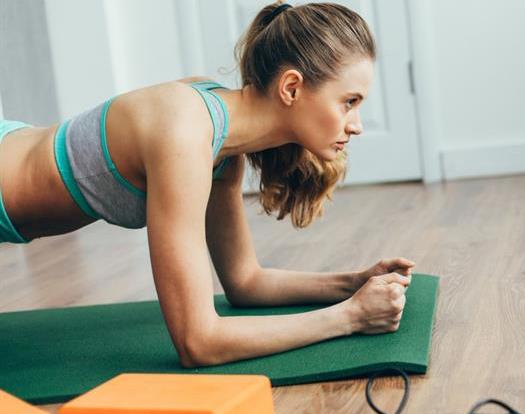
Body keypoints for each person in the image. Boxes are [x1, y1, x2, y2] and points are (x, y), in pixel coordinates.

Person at [0, 2, 415, 367]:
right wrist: (350, 317)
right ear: (291, 87)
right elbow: (198, 342)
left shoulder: (220, 147)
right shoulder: (185, 132)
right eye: (349, 101)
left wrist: (352, 284)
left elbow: (245, 282)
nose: (356, 125)